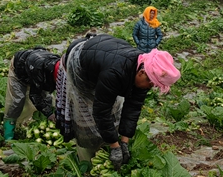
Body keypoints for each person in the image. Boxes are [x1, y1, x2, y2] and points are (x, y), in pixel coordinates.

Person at [62, 33, 181, 168]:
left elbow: (133, 107)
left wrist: (124, 141)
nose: (151, 87)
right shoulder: (114, 73)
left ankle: (107, 141)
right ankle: (88, 157)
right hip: (80, 63)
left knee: (114, 108)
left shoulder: (145, 68)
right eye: (151, 84)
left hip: (103, 54)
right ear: (141, 73)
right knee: (86, 114)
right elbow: (101, 111)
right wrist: (114, 146)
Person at [4, 47, 61, 141]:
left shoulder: (59, 67)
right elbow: (34, 95)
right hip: (19, 69)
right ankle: (8, 134)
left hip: (34, 68)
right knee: (18, 101)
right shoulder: (39, 69)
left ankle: (40, 121)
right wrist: (49, 114)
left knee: (47, 99)